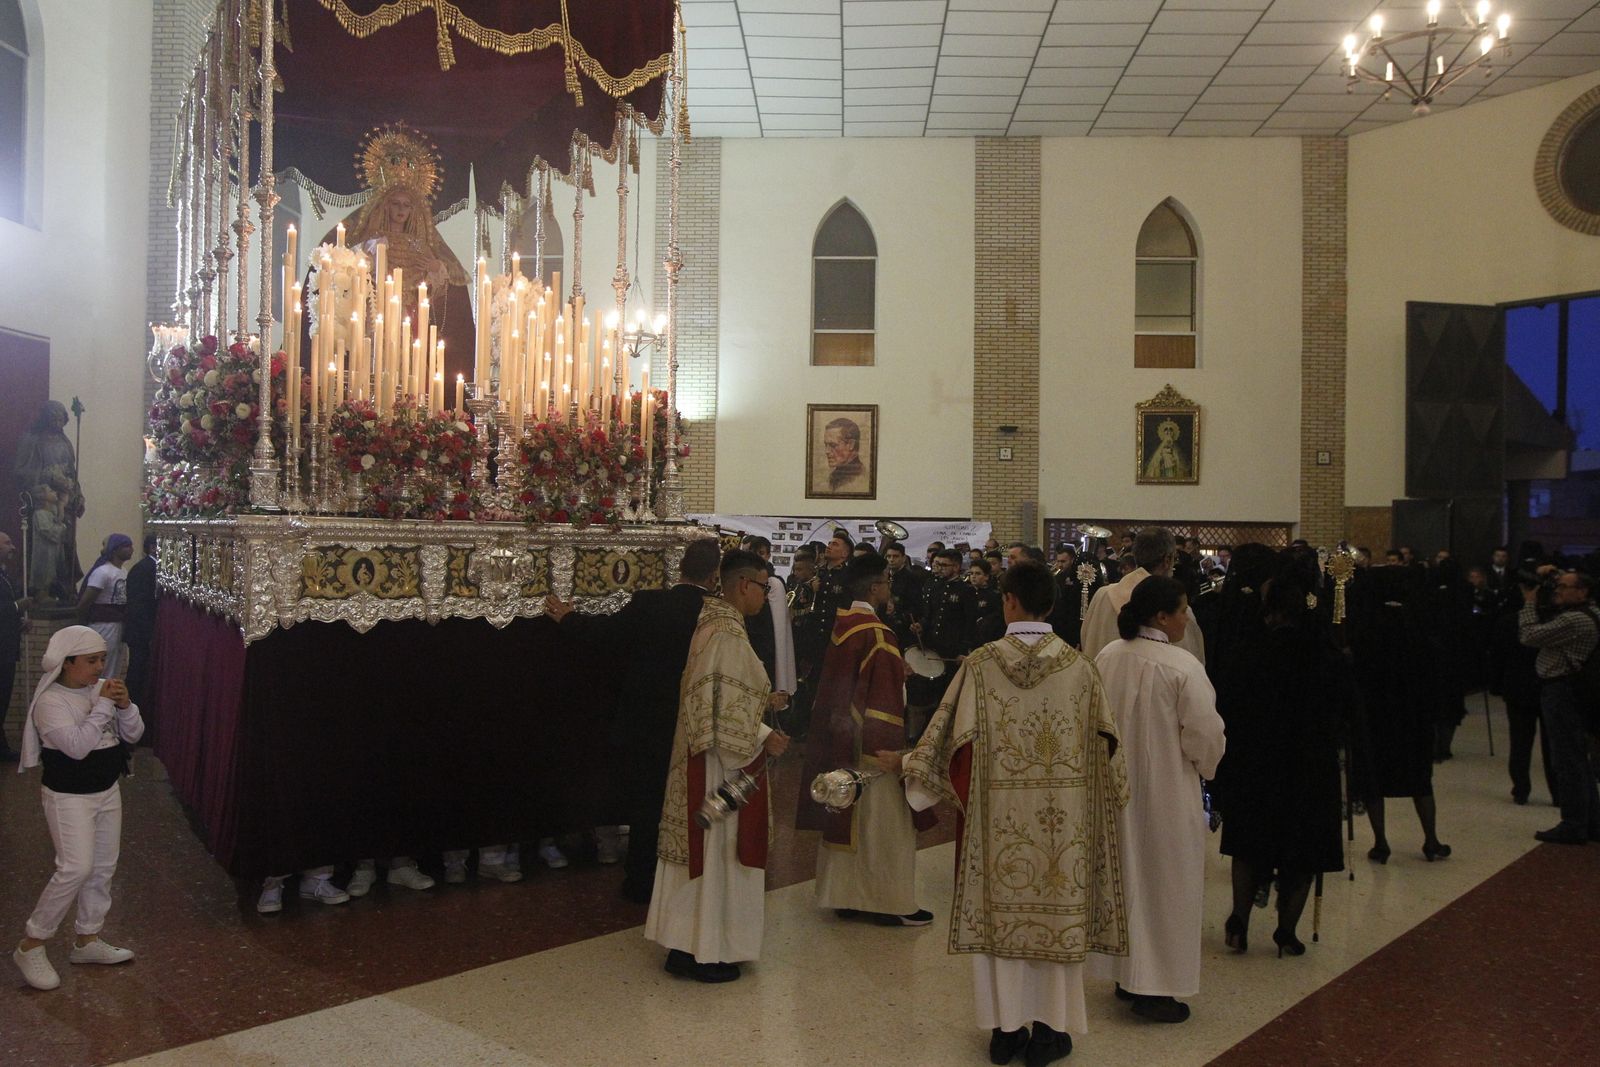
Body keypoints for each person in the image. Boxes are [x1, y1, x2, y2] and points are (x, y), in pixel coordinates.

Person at [904, 560, 1128, 1066]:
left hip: (997, 823)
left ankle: (1005, 1034)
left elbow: (946, 742)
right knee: (1057, 921)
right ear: (1050, 604)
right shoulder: (1081, 667)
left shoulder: (981, 665)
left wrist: (918, 780)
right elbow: (1111, 752)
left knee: (1000, 926)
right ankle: (1049, 1034)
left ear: (1009, 601)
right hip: (1063, 827)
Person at [545, 536, 720, 902]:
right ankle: (683, 878)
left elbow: (606, 635)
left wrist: (568, 618)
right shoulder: (716, 614)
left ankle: (640, 881)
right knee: (689, 800)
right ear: (715, 575)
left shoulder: (649, 603)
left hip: (643, 721)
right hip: (691, 722)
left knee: (646, 806)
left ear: (680, 567)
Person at [644, 549, 790, 983]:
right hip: (720, 764)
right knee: (716, 854)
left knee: (699, 855)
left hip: (701, 754)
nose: (765, 597)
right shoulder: (727, 632)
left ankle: (685, 945)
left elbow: (723, 693)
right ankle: (703, 951)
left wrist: (763, 703)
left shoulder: (712, 621)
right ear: (744, 584)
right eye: (764, 587)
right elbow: (725, 710)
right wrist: (767, 736)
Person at [1089, 575, 1226, 1024]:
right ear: (1161, 617)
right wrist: (1205, 768)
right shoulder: (1181, 665)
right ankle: (1156, 988)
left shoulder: (1109, 656)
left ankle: (1126, 975)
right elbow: (1206, 734)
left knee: (1126, 878)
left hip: (1114, 789)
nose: (1188, 617)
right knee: (1166, 887)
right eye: (1183, 610)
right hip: (1167, 791)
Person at [1214, 560, 1347, 960]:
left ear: (1269, 611)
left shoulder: (1249, 652)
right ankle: (1287, 931)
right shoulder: (1326, 655)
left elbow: (1228, 707)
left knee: (1249, 844)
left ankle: (1239, 921)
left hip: (1256, 762)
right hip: (1309, 765)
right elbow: (1341, 711)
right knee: (1303, 849)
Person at [796, 552, 933, 926]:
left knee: (846, 814)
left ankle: (845, 896)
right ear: (875, 587)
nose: (890, 589)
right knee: (884, 827)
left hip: (841, 739)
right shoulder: (877, 632)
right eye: (887, 582)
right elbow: (885, 700)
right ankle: (886, 902)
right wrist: (893, 754)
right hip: (873, 749)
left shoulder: (845, 626)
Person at [13, 626, 144, 991]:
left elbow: (133, 734)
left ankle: (87, 939)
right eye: (91, 661)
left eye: (102, 659)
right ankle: (32, 943)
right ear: (67, 663)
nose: (99, 667)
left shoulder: (98, 691)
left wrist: (125, 705)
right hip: (69, 796)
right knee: (75, 867)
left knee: (103, 867)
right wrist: (103, 705)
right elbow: (77, 747)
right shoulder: (51, 702)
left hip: (106, 789)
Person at [1348, 563, 1452, 863]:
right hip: (1413, 716)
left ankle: (1381, 843)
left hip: (1374, 714)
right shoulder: (1419, 622)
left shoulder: (1366, 625)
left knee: (1373, 778)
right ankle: (1431, 840)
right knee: (1420, 778)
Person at [1517, 569, 1599, 844]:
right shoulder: (1593, 613)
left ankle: (1573, 823)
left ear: (1582, 592)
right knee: (1579, 759)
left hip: (1561, 690)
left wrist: (1529, 602)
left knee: (1566, 759)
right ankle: (1592, 821)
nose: (1557, 591)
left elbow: (1529, 636)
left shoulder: (1575, 620)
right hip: (1576, 691)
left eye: (1564, 587)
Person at [1081, 527, 1206, 665]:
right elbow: (1191, 661)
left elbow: (1086, 639)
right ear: (1167, 559)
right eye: (1174, 558)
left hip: (1104, 682)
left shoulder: (1102, 596)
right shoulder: (1175, 607)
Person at [13, 400, 83, 605]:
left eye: (61, 417)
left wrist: (78, 495)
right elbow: (21, 472)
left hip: (65, 501)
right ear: (45, 417)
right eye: (54, 416)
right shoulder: (32, 440)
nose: (58, 420)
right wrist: (48, 477)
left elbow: (71, 473)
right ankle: (43, 588)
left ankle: (65, 585)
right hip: (43, 498)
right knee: (46, 547)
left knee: (67, 545)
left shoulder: (65, 441)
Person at [77, 534, 133, 678]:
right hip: (103, 624)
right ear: (115, 550)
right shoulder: (102, 572)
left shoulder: (123, 572)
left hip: (118, 623)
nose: (131, 549)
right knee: (103, 664)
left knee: (115, 665)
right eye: (126, 546)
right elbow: (86, 601)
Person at [123, 535, 159, 723]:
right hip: (140, 632)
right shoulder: (143, 569)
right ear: (153, 548)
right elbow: (138, 606)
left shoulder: (152, 568)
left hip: (145, 630)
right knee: (137, 673)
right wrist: (149, 633)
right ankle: (128, 715)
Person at [1, 531, 28, 761]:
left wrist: (19, 622)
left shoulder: (5, 575)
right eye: (7, 543)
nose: (13, 547)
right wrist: (18, 608)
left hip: (7, 646)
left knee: (3, 698)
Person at [822, 417, 868, 494]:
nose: (827, 451)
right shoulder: (834, 477)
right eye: (825, 445)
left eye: (833, 445)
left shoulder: (861, 480)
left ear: (851, 444)